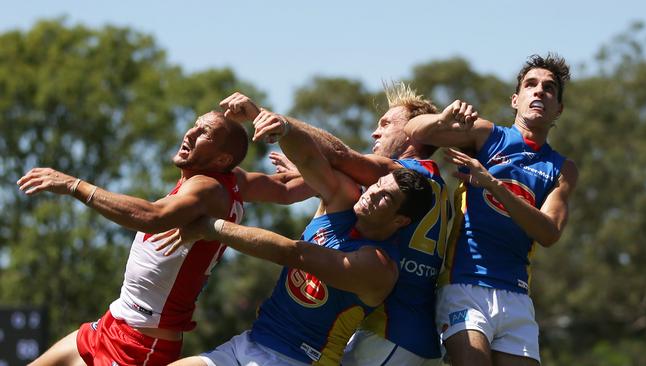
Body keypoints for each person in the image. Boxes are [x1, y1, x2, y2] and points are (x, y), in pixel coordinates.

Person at [18, 110, 310, 366]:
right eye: (195, 125)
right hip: (113, 322)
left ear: (221, 158)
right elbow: (285, 189)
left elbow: (153, 216)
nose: (190, 133)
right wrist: (312, 175)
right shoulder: (234, 180)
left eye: (204, 133)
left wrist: (74, 185)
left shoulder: (207, 189)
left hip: (141, 344)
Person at [155, 104, 435, 366]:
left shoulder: (378, 266)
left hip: (294, 359)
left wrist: (212, 227)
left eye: (385, 198)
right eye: (377, 186)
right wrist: (282, 127)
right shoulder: (342, 200)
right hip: (251, 341)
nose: (372, 194)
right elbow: (310, 158)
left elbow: (292, 253)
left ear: (401, 220)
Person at [255, 85, 478, 365]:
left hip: (394, 332)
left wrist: (284, 125)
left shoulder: (403, 175)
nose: (375, 132)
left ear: (414, 133)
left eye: (386, 124)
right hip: (404, 333)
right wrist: (310, 173)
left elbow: (339, 155)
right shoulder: (428, 184)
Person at [404, 53, 579, 365]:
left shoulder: (562, 168)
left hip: (517, 296)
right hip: (465, 285)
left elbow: (549, 232)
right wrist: (442, 120)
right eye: (531, 85)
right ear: (516, 99)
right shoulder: (488, 135)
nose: (539, 91)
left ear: (559, 109)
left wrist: (492, 184)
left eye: (549, 88)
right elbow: (415, 131)